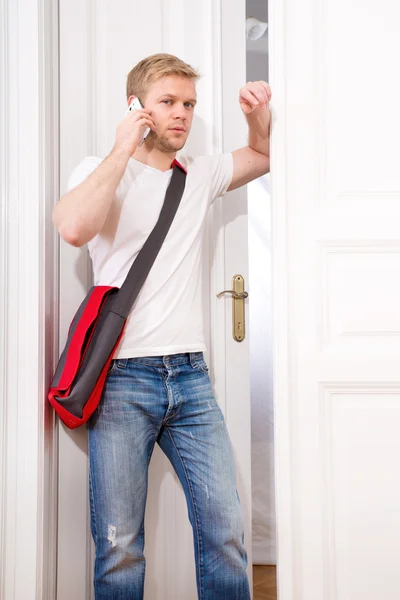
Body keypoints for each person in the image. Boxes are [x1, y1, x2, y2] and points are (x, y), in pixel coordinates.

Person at [53, 53, 271, 600]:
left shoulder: (199, 174)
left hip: (192, 380)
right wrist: (124, 147)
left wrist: (257, 118)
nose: (181, 115)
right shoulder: (100, 169)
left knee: (225, 536)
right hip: (123, 381)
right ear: (138, 106)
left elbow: (265, 155)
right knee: (119, 545)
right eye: (168, 103)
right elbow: (74, 229)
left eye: (189, 104)